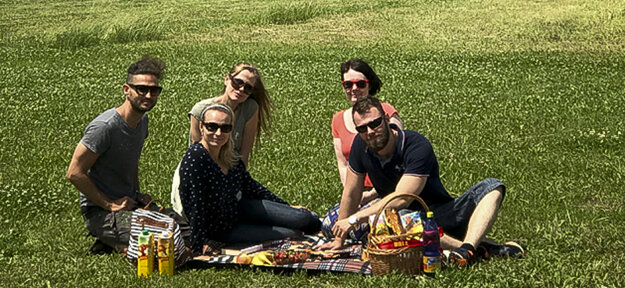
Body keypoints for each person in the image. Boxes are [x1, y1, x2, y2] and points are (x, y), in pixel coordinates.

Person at [327, 96, 524, 269]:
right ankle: (471, 249)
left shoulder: (416, 145)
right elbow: (351, 193)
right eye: (362, 128)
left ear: (387, 120)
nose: (370, 132)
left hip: (439, 212)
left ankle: (467, 247)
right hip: (401, 223)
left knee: (492, 186)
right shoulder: (360, 147)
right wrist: (338, 239)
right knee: (398, 218)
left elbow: (402, 198)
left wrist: (353, 220)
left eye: (375, 123)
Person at [178, 103, 320, 254]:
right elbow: (195, 204)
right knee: (292, 235)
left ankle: (320, 223)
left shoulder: (229, 155)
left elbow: (252, 187)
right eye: (212, 127)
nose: (218, 133)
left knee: (302, 217)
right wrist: (197, 247)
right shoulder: (196, 157)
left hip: (241, 208)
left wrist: (286, 206)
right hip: (221, 227)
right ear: (201, 126)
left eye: (225, 128)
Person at [66, 55, 166, 253]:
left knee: (180, 226)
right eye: (142, 89)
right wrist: (109, 204)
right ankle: (113, 240)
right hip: (100, 212)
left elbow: (131, 160)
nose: (148, 95)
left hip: (129, 203)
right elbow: (74, 173)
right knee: (161, 238)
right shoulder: (104, 127)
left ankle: (116, 242)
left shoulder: (142, 121)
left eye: (154, 90)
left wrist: (137, 194)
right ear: (126, 90)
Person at [171, 62, 270, 215]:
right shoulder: (200, 110)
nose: (241, 89)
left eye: (248, 88)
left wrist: (235, 185)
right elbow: (198, 156)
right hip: (202, 178)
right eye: (238, 82)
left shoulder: (250, 108)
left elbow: (243, 156)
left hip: (232, 175)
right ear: (227, 79)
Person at [332, 59, 403, 205]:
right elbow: (343, 165)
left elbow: (399, 159)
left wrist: (369, 195)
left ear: (369, 84)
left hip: (386, 191)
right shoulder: (338, 120)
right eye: (348, 84)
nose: (354, 89)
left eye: (360, 84)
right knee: (329, 224)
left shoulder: (386, 112)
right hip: (356, 194)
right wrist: (352, 195)